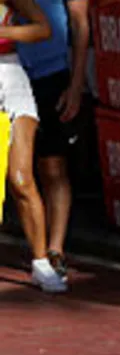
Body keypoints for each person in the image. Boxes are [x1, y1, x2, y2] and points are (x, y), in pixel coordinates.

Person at [17, 0, 85, 286]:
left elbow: (79, 21)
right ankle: (39, 251)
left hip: (51, 75)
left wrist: (76, 85)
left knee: (52, 167)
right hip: (11, 71)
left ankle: (55, 250)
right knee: (18, 173)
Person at [0, 0, 57, 292]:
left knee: (20, 178)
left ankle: (41, 262)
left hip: (9, 76)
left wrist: (5, 31)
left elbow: (43, 28)